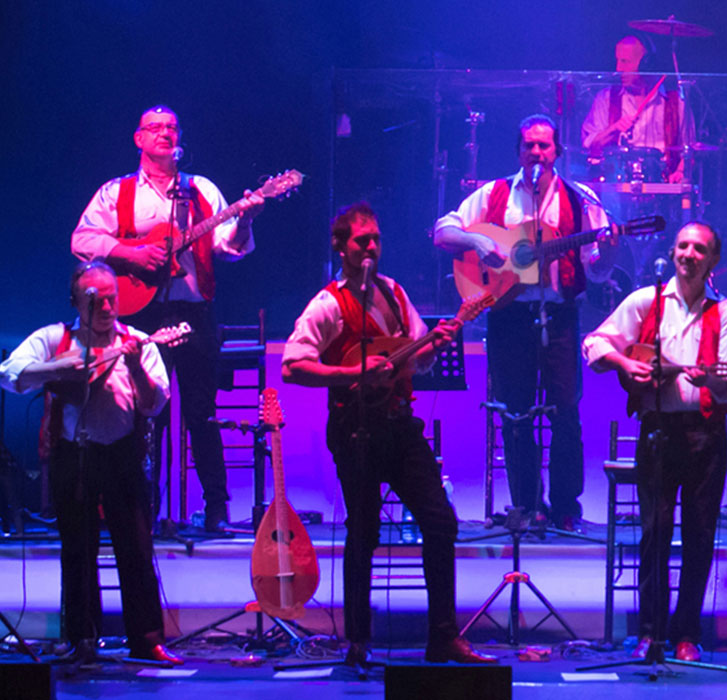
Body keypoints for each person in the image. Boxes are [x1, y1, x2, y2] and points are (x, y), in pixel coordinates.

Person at [284, 203, 495, 666]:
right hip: (355, 429)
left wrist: (432, 348)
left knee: (440, 520)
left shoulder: (395, 294)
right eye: (362, 240)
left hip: (400, 424)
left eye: (377, 239)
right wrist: (349, 372)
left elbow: (414, 356)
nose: (372, 248)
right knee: (363, 531)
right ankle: (358, 641)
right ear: (341, 246)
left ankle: (442, 636)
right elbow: (293, 365)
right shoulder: (327, 304)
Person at [72, 105, 259, 531]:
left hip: (194, 311)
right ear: (138, 139)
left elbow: (232, 246)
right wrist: (130, 253)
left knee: (202, 410)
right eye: (155, 128)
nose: (165, 133)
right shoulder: (115, 193)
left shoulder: (202, 190)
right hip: (139, 313)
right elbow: (81, 239)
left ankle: (216, 508)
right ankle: (138, 507)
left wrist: (245, 217)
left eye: (172, 127)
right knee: (143, 410)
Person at [434, 114, 617, 531]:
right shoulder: (495, 194)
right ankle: (527, 505)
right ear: (519, 150)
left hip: (560, 316)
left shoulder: (579, 198)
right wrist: (478, 240)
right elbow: (443, 231)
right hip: (508, 314)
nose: (537, 153)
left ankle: (566, 507)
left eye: (545, 146)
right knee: (515, 415)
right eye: (530, 145)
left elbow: (600, 269)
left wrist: (609, 252)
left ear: (557, 151)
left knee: (566, 412)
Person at [0, 262, 180, 665]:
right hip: (73, 453)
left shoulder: (138, 341)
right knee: (77, 549)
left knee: (135, 547)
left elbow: (155, 404)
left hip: (121, 454)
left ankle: (147, 639)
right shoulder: (55, 338)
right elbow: (9, 374)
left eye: (111, 297)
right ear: (76, 301)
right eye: (95, 299)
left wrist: (133, 364)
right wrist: (56, 369)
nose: (106, 306)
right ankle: (81, 638)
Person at [583, 221, 727, 663]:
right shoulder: (645, 301)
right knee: (654, 533)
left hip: (704, 434)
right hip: (656, 431)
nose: (688, 254)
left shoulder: (726, 312)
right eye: (682, 246)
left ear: (712, 260)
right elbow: (594, 344)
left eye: (699, 249)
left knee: (699, 535)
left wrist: (709, 376)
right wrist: (622, 361)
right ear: (673, 253)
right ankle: (650, 633)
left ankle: (687, 632)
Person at [579, 35, 690, 184]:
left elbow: (690, 152)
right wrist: (613, 129)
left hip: (663, 192)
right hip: (617, 192)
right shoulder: (605, 99)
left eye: (625, 62)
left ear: (645, 64)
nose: (618, 69)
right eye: (617, 61)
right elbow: (589, 145)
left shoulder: (676, 104)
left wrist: (680, 172)